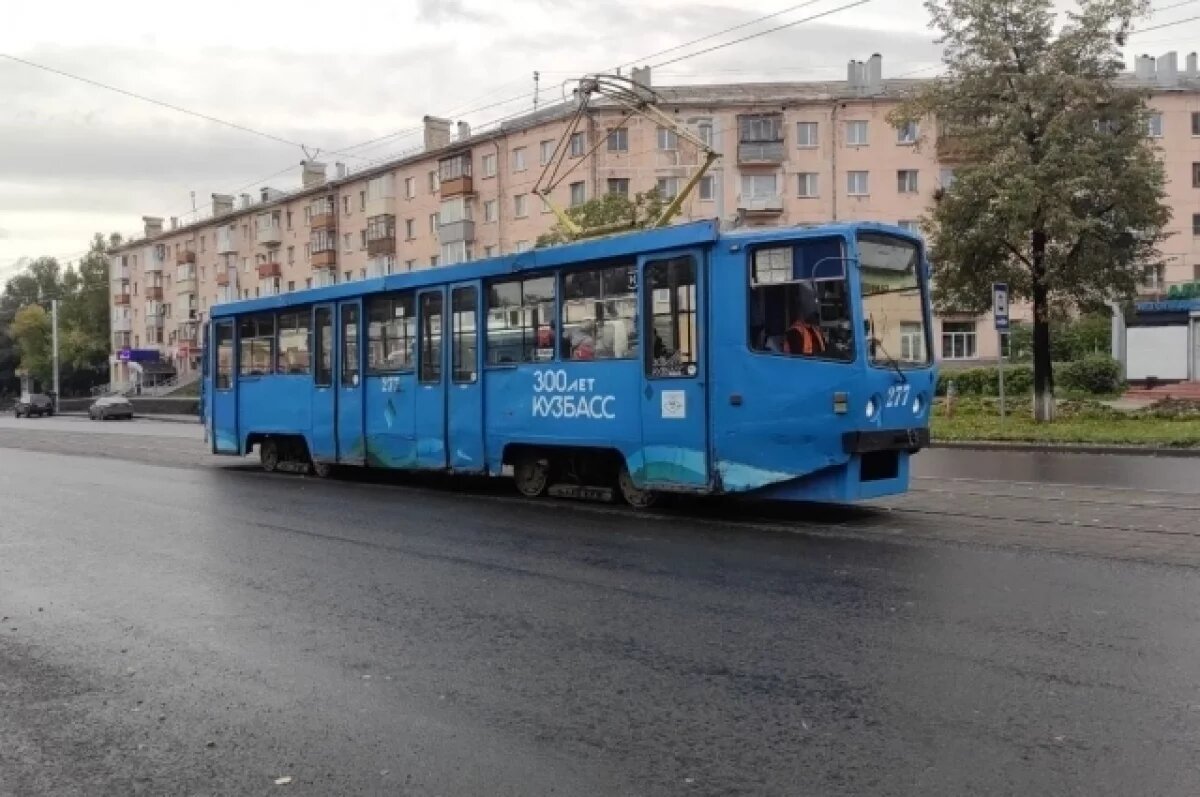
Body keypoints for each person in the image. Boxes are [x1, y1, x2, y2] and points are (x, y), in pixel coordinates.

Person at [783, 282, 826, 356]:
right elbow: (798, 357)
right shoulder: (795, 332)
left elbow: (825, 348)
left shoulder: (815, 329)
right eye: (813, 312)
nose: (816, 317)